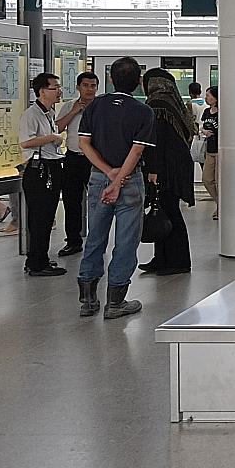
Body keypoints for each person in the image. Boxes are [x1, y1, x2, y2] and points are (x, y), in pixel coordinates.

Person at [75, 57, 154, 320]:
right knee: (126, 241)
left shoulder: (95, 106)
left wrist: (107, 173)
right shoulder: (143, 111)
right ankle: (115, 302)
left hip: (99, 178)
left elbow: (84, 144)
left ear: (110, 79)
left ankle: (87, 300)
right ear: (138, 81)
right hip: (129, 182)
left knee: (95, 237)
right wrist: (119, 179)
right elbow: (137, 148)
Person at [135, 69, 196, 275]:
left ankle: (177, 261)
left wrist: (153, 169)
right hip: (176, 166)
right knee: (163, 210)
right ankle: (162, 258)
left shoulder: (157, 104)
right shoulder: (174, 103)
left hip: (165, 168)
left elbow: (155, 142)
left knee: (168, 212)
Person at [17, 72, 68, 277]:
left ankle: (42, 258)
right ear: (42, 91)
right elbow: (25, 142)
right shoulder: (31, 115)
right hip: (39, 170)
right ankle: (36, 262)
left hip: (53, 165)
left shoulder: (49, 112)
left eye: (59, 87)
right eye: (54, 88)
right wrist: (52, 137)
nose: (59, 91)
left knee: (47, 217)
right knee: (39, 217)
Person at [54, 70, 99, 257]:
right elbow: (57, 128)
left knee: (97, 202)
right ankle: (73, 241)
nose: (89, 89)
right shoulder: (69, 106)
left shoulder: (101, 106)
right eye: (85, 86)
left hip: (95, 160)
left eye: (93, 86)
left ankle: (97, 240)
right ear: (78, 87)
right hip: (73, 157)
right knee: (72, 201)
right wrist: (74, 112)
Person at [200, 86, 220, 221]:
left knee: (220, 181)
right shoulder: (207, 112)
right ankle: (220, 203)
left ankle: (222, 206)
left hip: (221, 151)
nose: (206, 98)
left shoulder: (223, 113)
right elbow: (201, 126)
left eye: (209, 95)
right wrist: (203, 131)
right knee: (207, 179)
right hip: (209, 149)